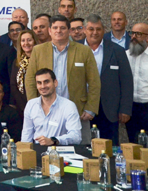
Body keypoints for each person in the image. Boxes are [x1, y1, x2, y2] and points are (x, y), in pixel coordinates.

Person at [25, 15, 100, 145]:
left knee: (81, 149)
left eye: (62, 28)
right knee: (45, 149)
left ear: (69, 31)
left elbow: (94, 81)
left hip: (78, 110)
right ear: (50, 30)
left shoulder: (84, 51)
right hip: (46, 111)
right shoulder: (38, 50)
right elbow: (30, 79)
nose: (58, 31)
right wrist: (34, 106)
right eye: (55, 28)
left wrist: (90, 108)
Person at [83, 14, 133, 144]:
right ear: (84, 30)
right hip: (82, 107)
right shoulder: (74, 49)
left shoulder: (117, 50)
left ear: (104, 30)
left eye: (98, 29)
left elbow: (126, 81)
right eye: (91, 29)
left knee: (110, 147)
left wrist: (125, 109)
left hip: (109, 109)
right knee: (84, 146)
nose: (95, 33)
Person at [21, 69, 82, 145]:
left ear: (55, 83)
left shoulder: (68, 106)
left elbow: (76, 137)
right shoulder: (31, 105)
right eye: (39, 83)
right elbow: (26, 137)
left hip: (59, 151)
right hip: (36, 151)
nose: (43, 86)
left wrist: (53, 140)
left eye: (46, 82)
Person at [9, 30, 38, 117]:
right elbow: (13, 85)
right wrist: (23, 106)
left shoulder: (40, 60)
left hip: (39, 104)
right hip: (21, 106)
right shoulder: (17, 62)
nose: (26, 43)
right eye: (23, 40)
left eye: (29, 40)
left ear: (35, 41)